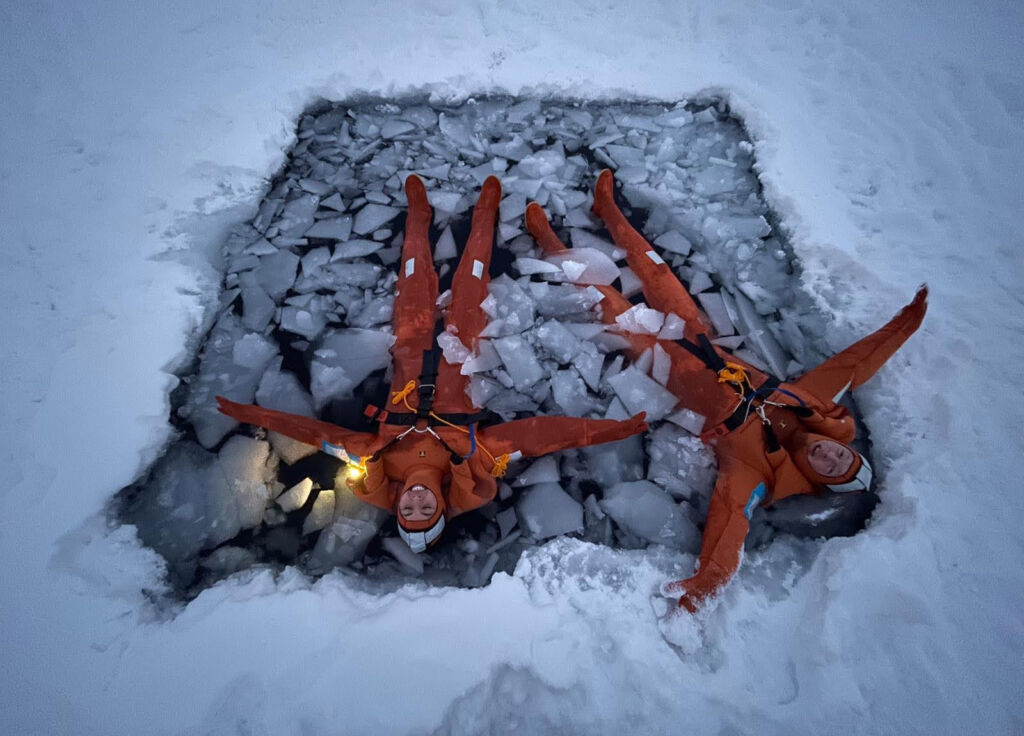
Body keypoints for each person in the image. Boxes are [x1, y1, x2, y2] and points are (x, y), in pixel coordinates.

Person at [525, 169, 928, 612]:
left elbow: (729, 523)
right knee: (655, 268)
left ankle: (547, 240)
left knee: (604, 299)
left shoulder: (753, 473)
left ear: (816, 478)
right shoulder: (814, 407)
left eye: (831, 469)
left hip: (663, 364)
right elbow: (855, 365)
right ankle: (610, 211)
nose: (829, 457)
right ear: (843, 446)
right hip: (700, 339)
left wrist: (708, 582)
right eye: (842, 456)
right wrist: (903, 324)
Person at [217, 174, 648, 553]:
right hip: (459, 344)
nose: (417, 500)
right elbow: (542, 436)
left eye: (409, 510)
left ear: (400, 503)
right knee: (471, 275)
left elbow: (315, 433)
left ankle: (418, 211)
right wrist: (614, 429)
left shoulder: (372, 464)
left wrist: (251, 413)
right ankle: (486, 211)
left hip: (411, 345)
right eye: (427, 509)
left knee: (414, 272)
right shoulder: (475, 463)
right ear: (441, 504)